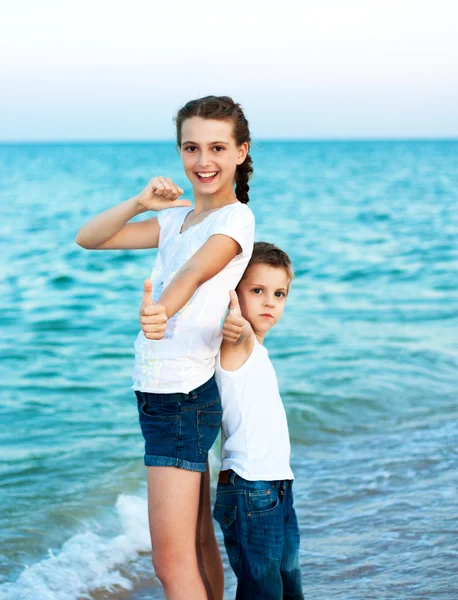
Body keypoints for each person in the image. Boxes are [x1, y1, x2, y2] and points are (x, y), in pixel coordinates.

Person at [76, 96, 255, 600]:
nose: (204, 160)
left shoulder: (235, 221)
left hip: (179, 397)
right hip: (164, 395)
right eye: (191, 147)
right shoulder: (174, 220)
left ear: (241, 151)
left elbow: (197, 271)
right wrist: (138, 204)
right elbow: (89, 239)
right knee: (196, 545)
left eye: (218, 147)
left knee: (169, 565)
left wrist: (163, 309)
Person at [213, 242, 304, 600]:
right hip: (251, 487)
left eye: (279, 293)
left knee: (288, 581)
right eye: (257, 291)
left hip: (278, 486)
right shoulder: (240, 343)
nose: (269, 301)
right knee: (263, 589)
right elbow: (239, 331)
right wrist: (234, 320)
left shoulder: (259, 352)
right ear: (234, 294)